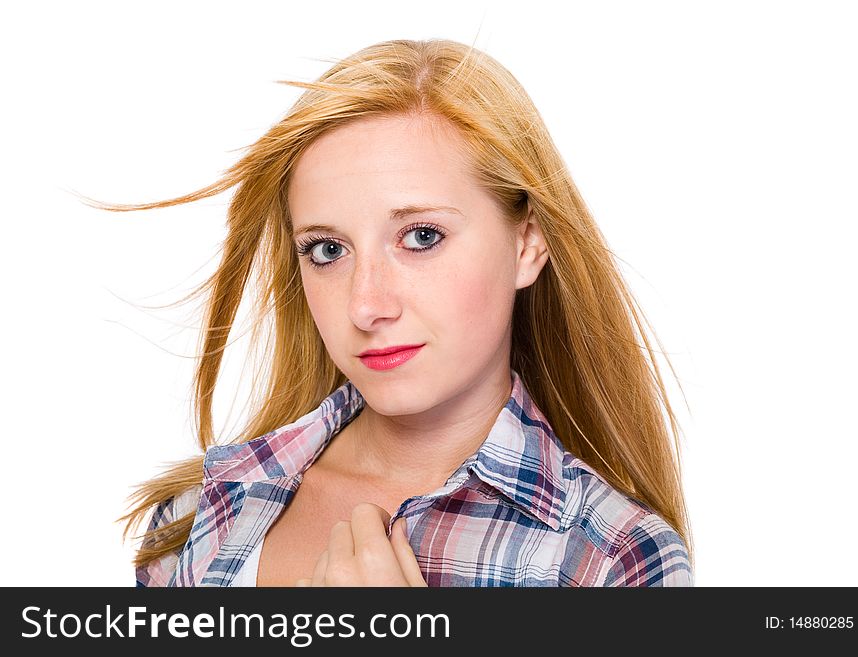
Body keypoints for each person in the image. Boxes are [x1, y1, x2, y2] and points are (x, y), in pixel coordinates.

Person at [107, 38, 694, 586]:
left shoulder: (610, 558)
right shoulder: (201, 511)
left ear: (528, 244)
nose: (366, 305)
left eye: (420, 237)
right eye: (328, 250)